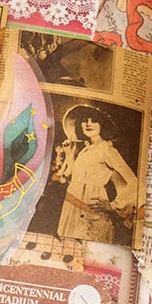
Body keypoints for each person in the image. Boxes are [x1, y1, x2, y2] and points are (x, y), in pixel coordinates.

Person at [53, 105, 138, 244]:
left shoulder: (106, 149)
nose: (88, 124)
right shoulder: (85, 150)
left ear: (102, 124)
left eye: (94, 120)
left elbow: (133, 182)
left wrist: (114, 205)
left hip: (91, 212)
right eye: (85, 120)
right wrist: (69, 155)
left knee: (92, 252)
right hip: (72, 209)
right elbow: (72, 179)